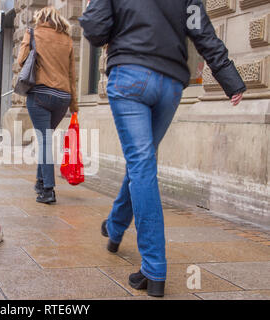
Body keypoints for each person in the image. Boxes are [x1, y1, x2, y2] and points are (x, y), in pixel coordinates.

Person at [79, 0, 246, 297]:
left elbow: (94, 29)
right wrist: (230, 79)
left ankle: (154, 269)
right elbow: (202, 30)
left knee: (142, 164)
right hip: (169, 84)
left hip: (130, 75)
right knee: (142, 162)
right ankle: (115, 227)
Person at [18, 6, 78, 204]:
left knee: (44, 141)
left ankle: (48, 190)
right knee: (45, 139)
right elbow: (71, 75)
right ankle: (40, 181)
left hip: (40, 95)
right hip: (63, 98)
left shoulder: (33, 33)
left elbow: (20, 61)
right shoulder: (67, 39)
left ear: (40, 18)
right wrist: (74, 106)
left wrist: (28, 42)